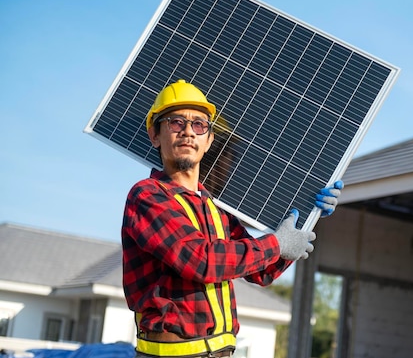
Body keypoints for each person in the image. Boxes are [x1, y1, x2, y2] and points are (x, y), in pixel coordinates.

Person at [122, 79, 343, 358]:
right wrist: (277, 243)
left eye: (199, 125)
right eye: (176, 122)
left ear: (209, 140)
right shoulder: (147, 196)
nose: (188, 131)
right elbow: (201, 261)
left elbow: (261, 271)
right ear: (155, 136)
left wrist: (310, 217)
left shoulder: (214, 208)